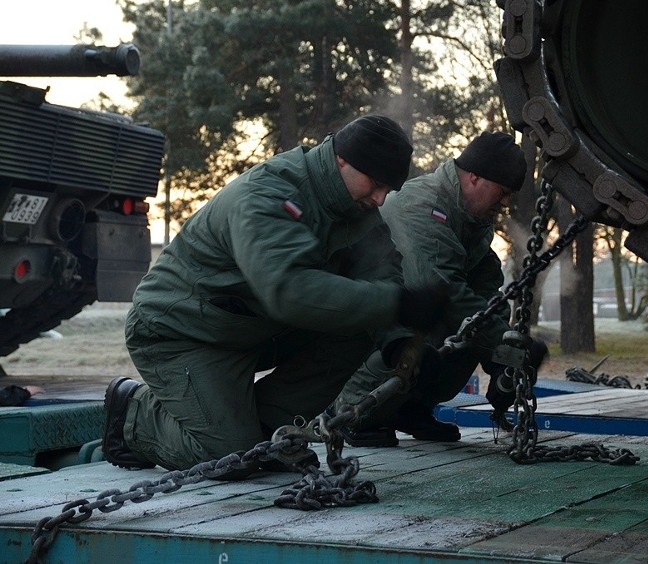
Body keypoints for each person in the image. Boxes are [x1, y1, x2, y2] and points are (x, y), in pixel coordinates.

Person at [102, 115, 447, 473]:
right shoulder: (268, 193)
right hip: (181, 331)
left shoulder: (356, 209)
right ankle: (134, 413)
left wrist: (400, 342)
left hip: (250, 329)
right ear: (342, 159)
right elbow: (288, 290)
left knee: (359, 326)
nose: (379, 199)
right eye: (374, 184)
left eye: (387, 190)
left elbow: (382, 276)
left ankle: (268, 430)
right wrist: (398, 306)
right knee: (230, 457)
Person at [334, 132, 549, 447]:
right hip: (368, 326)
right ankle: (353, 409)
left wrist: (505, 359)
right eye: (503, 192)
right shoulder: (422, 205)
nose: (505, 203)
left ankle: (409, 409)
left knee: (467, 332)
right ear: (475, 178)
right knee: (438, 325)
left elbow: (487, 298)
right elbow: (443, 290)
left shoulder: (472, 224)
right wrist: (505, 347)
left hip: (410, 314)